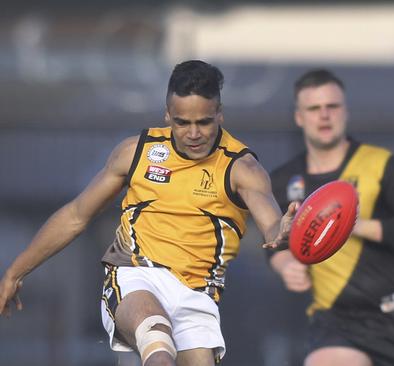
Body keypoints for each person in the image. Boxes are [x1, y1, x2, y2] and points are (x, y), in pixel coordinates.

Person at [0, 60, 295, 366]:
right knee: (158, 344)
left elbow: (272, 224)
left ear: (219, 113)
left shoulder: (241, 168)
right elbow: (76, 215)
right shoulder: (136, 153)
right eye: (182, 122)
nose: (193, 133)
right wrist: (15, 272)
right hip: (135, 275)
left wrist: (286, 231)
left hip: (196, 294)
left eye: (204, 122)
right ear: (168, 115)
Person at [268, 69, 394, 366]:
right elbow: (274, 240)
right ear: (299, 117)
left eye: (332, 107)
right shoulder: (285, 180)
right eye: (314, 108)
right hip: (336, 320)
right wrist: (285, 265)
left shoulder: (380, 164)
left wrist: (355, 225)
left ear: (345, 111)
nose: (324, 115)